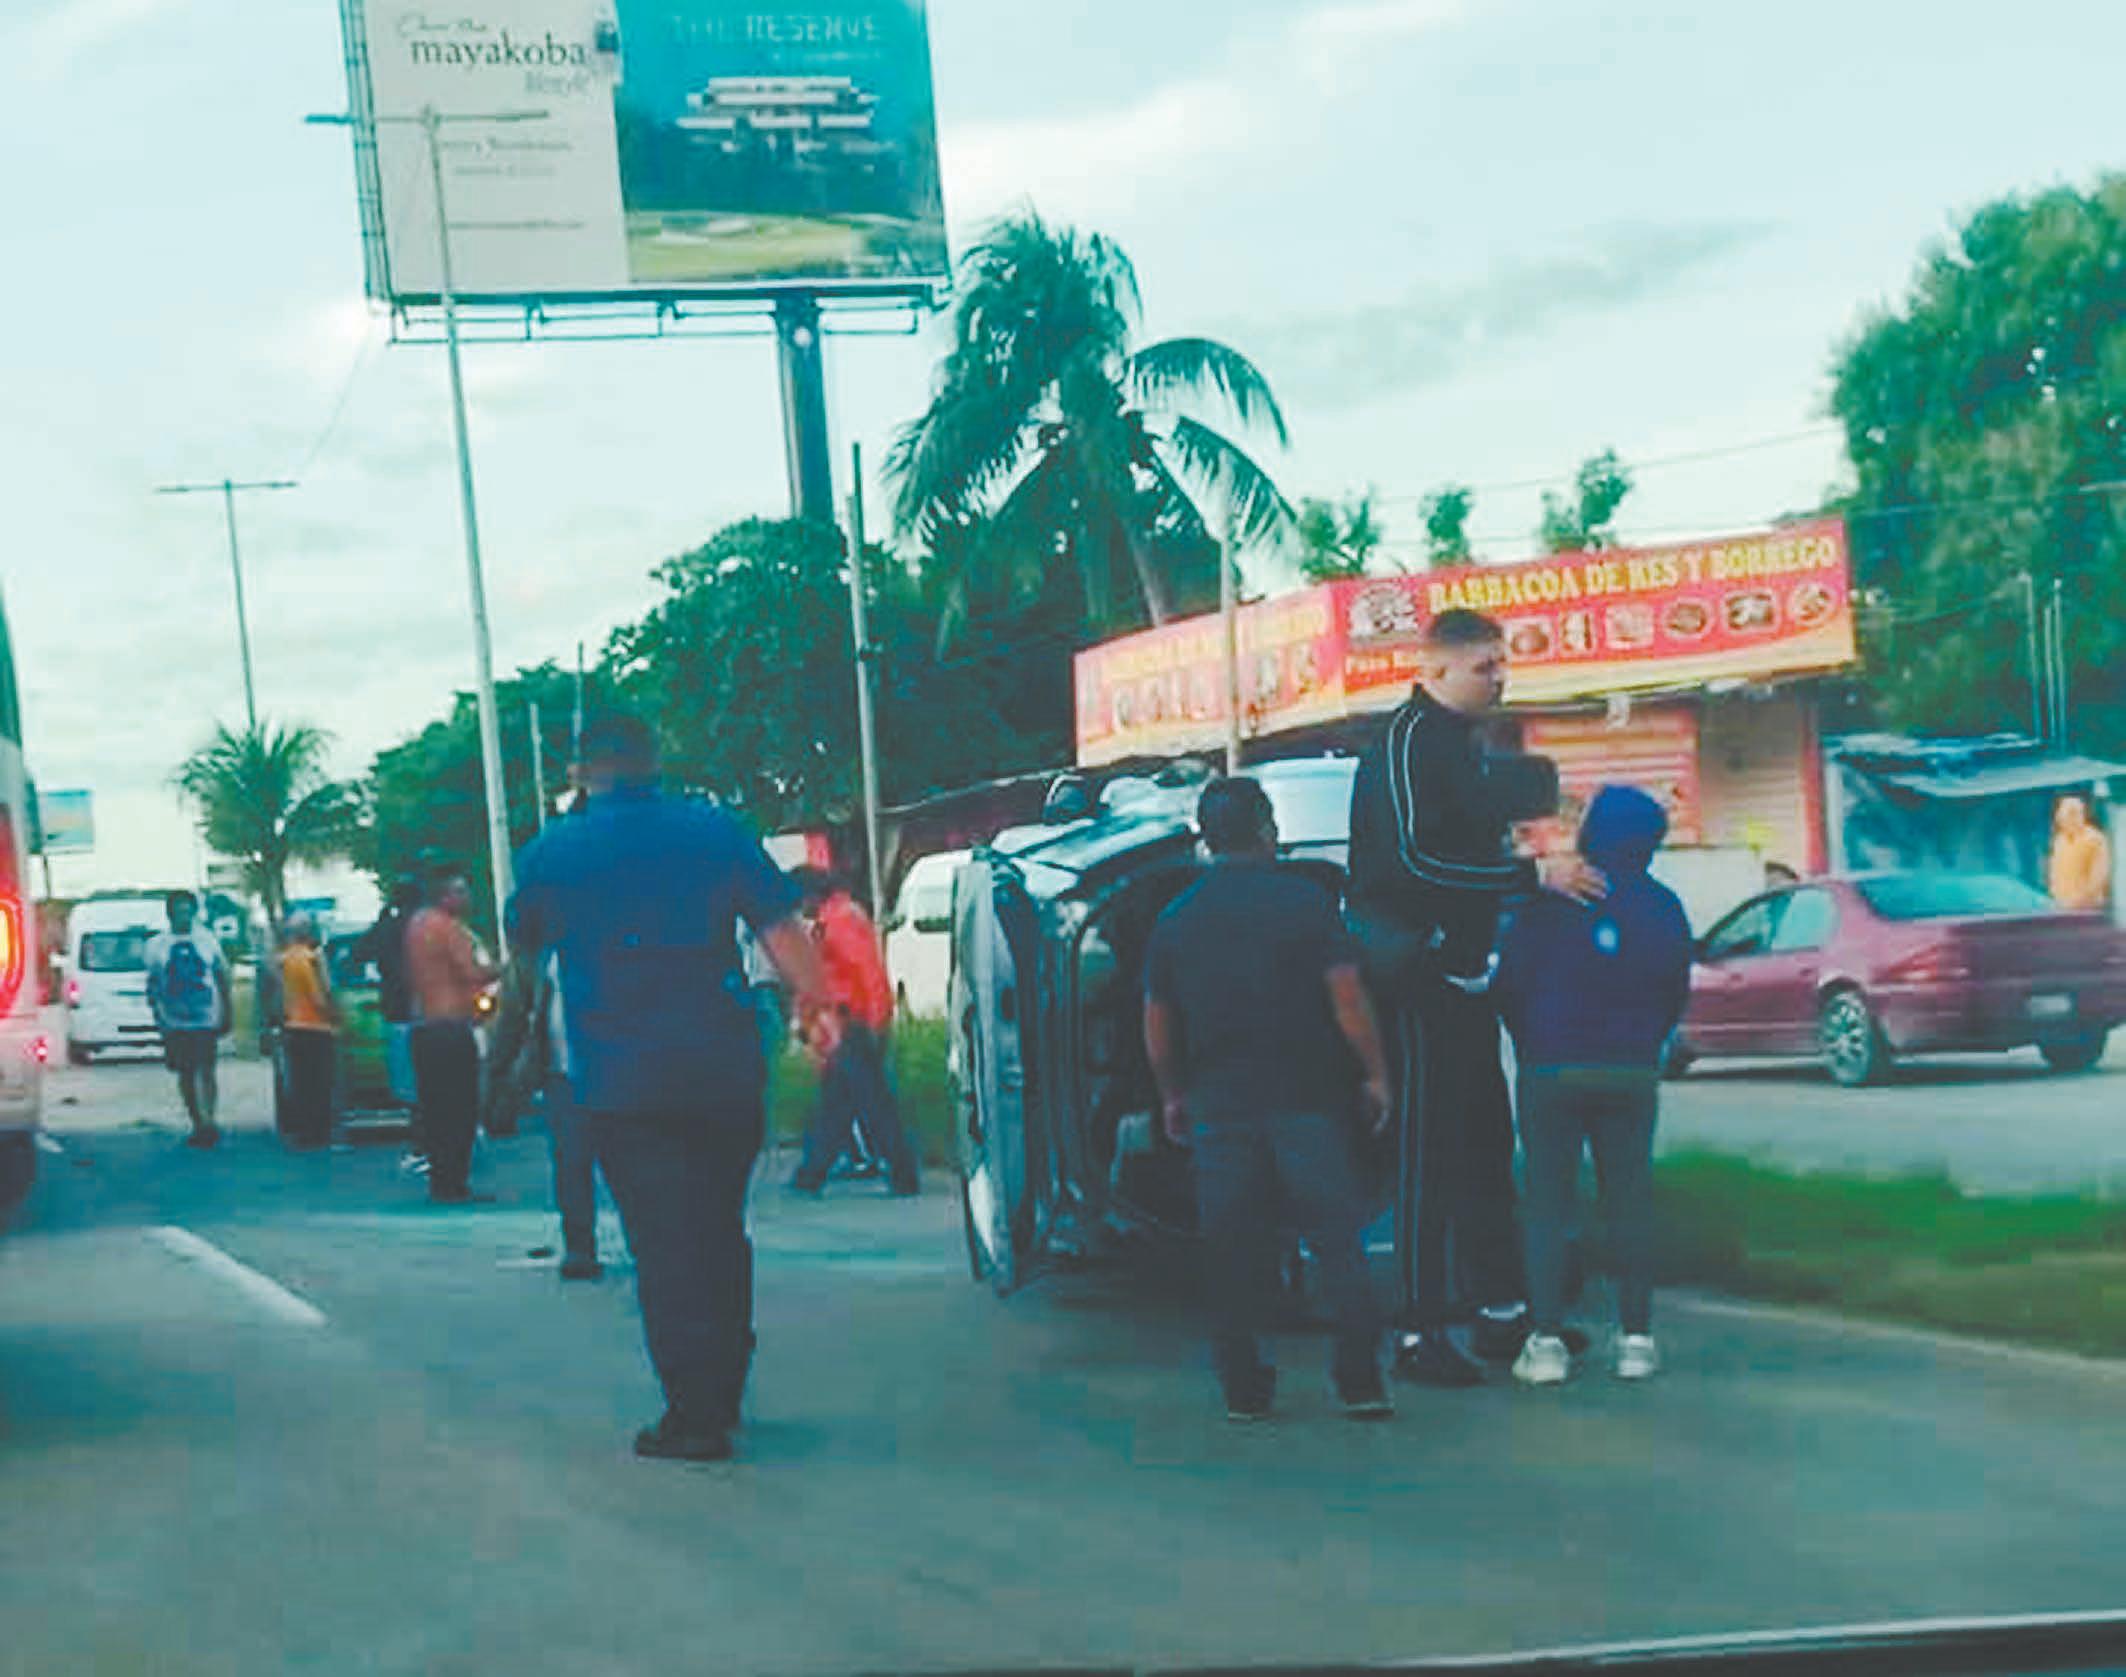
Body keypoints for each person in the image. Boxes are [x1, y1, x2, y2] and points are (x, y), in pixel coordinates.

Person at [509, 712, 836, 1464]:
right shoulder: (714, 829)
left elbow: (525, 945)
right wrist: (817, 1008)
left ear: (580, 772)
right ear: (654, 761)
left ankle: (695, 1415)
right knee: (718, 1228)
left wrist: (516, 1055)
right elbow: (781, 928)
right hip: (723, 1068)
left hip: (623, 1081)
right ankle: (725, 1383)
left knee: (663, 1243)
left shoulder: (554, 851)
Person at [1346, 608, 1607, 1388]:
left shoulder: (1466, 746)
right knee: (1425, 1152)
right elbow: (1410, 863)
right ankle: (1418, 1329)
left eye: (1502, 663)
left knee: (1486, 1141)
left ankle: (1502, 1308)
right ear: (1435, 670)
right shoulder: (1404, 743)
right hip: (1414, 970)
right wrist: (1531, 876)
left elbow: (1469, 846)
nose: (1500, 677)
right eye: (1484, 665)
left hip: (1467, 969)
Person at [1143, 776, 1396, 1423]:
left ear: (1206, 836)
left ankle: (1243, 1388)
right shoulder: (1308, 904)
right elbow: (1347, 999)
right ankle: (1360, 1380)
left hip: (1220, 1105)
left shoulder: (1177, 918)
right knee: (1336, 1242)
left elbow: (1158, 1024)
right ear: (1266, 827)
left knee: (1230, 1249)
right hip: (1308, 1098)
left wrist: (1172, 1094)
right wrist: (1375, 1074)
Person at [1496, 786, 1694, 1386]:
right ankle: (1636, 1341)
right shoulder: (1664, 906)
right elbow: (1674, 991)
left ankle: (1546, 1341)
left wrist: (1532, 1043)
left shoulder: (1549, 903)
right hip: (1630, 1069)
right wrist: (1644, 1043)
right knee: (1629, 1202)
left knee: (1547, 1205)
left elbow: (1509, 986)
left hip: (1552, 1066)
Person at [787, 869, 920, 1198]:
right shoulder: (832, 919)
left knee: (869, 1104)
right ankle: (813, 1171)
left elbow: (866, 972)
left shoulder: (840, 922)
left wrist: (877, 1021)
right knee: (841, 1103)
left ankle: (898, 1171)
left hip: (854, 1024)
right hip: (846, 1024)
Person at [486, 946, 604, 1280]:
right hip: (566, 1074)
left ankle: (590, 1247)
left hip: (604, 1071)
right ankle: (581, 1247)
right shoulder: (537, 958)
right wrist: (499, 1079)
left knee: (583, 1163)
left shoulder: (546, 954)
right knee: (573, 1163)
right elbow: (513, 1019)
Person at [405, 872, 498, 1204]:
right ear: (445, 896)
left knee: (434, 1109)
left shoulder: (417, 925)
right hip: (451, 1027)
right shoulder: (449, 928)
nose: (468, 897)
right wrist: (504, 968)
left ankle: (440, 1179)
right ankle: (455, 1182)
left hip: (424, 1027)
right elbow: (470, 971)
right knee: (460, 1108)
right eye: (461, 891)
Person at [144, 890, 232, 1150]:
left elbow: (222, 976)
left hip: (206, 1017)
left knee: (206, 1069)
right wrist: (158, 1018)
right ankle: (197, 1121)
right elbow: (153, 985)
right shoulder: (157, 945)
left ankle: (210, 1121)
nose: (183, 917)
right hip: (174, 1020)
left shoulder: (208, 940)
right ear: (169, 914)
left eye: (187, 911)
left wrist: (227, 1012)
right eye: (178, 912)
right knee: (185, 1072)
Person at [355, 879, 425, 1170]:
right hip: (435, 1014)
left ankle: (421, 1144)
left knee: (411, 1088)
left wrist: (382, 918)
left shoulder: (387, 929)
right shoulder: (431, 926)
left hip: (399, 1013)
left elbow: (359, 953)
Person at [276, 914, 340, 1152]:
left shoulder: (284, 959)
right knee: (321, 1083)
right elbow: (322, 992)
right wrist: (334, 1015)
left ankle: (304, 1130)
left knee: (301, 1083)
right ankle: (320, 1131)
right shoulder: (313, 958)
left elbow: (279, 994)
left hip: (294, 1026)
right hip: (317, 1025)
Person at [2049, 796, 2112, 914]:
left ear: (2082, 815)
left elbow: (2099, 877)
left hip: (2089, 910)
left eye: (2073, 813)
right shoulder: (2059, 841)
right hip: (2061, 909)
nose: (2067, 819)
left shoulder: (2095, 839)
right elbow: (2054, 875)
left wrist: (2079, 902)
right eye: (2063, 814)